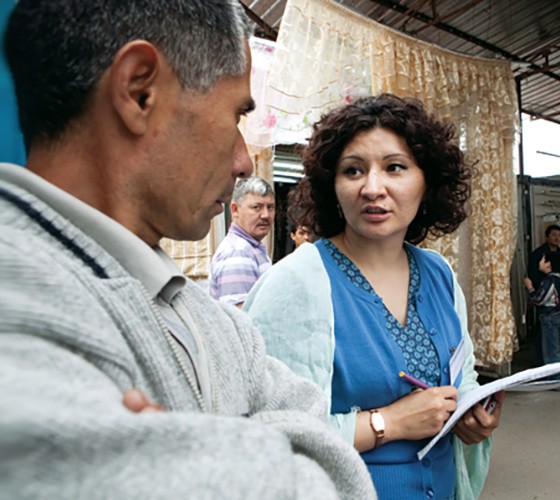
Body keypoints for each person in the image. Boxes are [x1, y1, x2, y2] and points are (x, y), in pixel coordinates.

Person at [0, 2, 376, 498]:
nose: (244, 161)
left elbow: (340, 472)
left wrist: (193, 458)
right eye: (237, 112)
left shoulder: (213, 319)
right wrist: (260, 443)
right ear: (140, 91)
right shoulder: (18, 298)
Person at [244, 94, 504, 500]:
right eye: (353, 170)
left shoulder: (438, 274)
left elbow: (462, 373)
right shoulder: (298, 282)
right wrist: (389, 423)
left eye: (395, 167)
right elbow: (267, 432)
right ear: (332, 185)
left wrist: (470, 414)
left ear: (427, 182)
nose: (372, 188)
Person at [209, 175, 275, 306]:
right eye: (257, 207)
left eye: (270, 207)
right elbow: (240, 317)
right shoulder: (238, 252)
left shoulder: (251, 248)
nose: (266, 215)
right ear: (235, 210)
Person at [524, 252, 560, 369]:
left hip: (550, 317)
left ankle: (555, 378)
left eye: (542, 260)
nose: (540, 262)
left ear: (549, 264)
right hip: (556, 315)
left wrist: (530, 287)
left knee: (551, 351)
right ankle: (543, 371)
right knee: (545, 346)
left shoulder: (550, 280)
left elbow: (540, 299)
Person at [527, 224, 560, 289]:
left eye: (559, 235)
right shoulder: (538, 253)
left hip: (559, 290)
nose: (557, 238)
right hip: (543, 290)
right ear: (547, 237)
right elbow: (533, 273)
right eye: (554, 235)